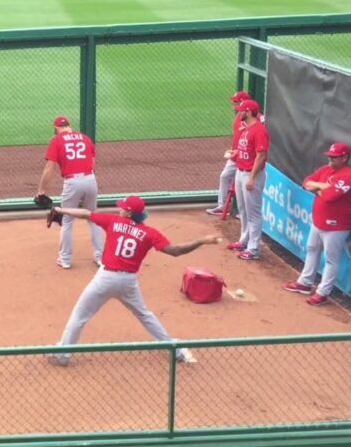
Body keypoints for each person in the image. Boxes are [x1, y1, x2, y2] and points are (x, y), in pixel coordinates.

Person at [48, 196, 222, 365]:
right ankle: (175, 349)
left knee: (80, 315)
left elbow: (85, 213)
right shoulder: (149, 233)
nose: (120, 208)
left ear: (129, 213)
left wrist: (60, 209)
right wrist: (201, 241)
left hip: (105, 279)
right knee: (145, 315)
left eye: (123, 207)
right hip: (128, 282)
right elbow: (175, 251)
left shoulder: (113, 221)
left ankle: (64, 353)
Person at [282, 142, 351, 306]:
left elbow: (330, 197)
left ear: (345, 157)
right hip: (318, 221)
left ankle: (322, 292)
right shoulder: (326, 170)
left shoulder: (347, 176)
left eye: (334, 157)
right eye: (330, 156)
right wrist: (322, 186)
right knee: (312, 250)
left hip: (337, 225)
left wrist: (317, 188)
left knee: (331, 260)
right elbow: (306, 182)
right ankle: (305, 283)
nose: (330, 159)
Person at [37, 115, 105, 269]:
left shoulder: (57, 141)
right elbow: (92, 164)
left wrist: (41, 191)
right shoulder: (85, 138)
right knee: (93, 217)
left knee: (67, 221)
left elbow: (49, 168)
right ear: (69, 125)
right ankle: (100, 258)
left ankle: (65, 259)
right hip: (90, 179)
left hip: (72, 182)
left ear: (56, 128)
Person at [227, 99, 269, 261]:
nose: (239, 113)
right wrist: (235, 154)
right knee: (243, 210)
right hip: (240, 171)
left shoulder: (259, 130)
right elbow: (246, 150)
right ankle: (244, 240)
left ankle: (253, 249)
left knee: (254, 213)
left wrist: (252, 177)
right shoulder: (246, 129)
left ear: (249, 112)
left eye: (241, 111)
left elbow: (261, 155)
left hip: (252, 175)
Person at [207, 91, 252, 216]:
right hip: (235, 154)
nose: (233, 104)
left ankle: (243, 212)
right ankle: (222, 206)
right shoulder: (239, 116)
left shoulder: (249, 119)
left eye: (236, 101)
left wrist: (238, 151)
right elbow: (238, 136)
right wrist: (233, 149)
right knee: (225, 176)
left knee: (243, 184)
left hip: (245, 156)